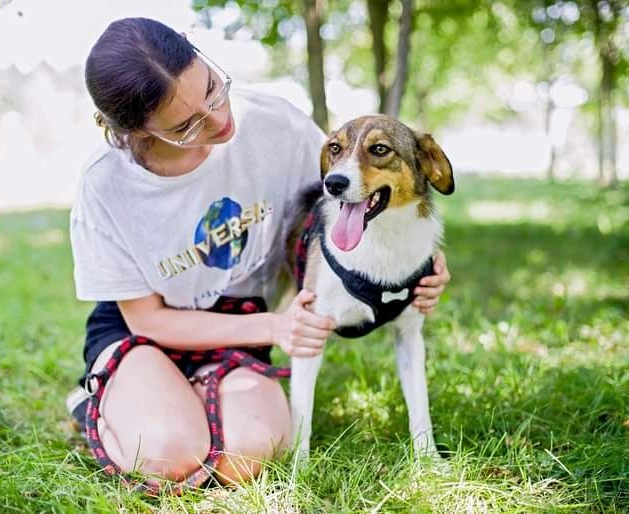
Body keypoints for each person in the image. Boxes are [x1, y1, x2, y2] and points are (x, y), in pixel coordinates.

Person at [65, 17, 451, 486]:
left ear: (196, 50)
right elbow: (146, 318)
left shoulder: (273, 123)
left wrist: (420, 267)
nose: (220, 120)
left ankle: (193, 393)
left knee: (249, 457)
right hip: (146, 333)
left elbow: (349, 204)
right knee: (169, 457)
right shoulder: (106, 185)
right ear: (139, 131)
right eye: (186, 126)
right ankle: (100, 401)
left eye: (212, 88)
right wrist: (277, 325)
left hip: (237, 320)